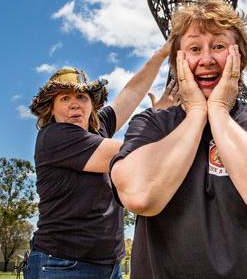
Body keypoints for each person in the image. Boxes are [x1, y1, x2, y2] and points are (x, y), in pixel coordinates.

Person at [110, 0, 247, 278]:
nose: (206, 60)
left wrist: (217, 110)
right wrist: (194, 115)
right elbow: (142, 196)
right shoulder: (151, 124)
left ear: (239, 55)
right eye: (194, 48)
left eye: (218, 46)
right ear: (178, 60)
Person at [25, 40, 173, 279]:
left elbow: (132, 92)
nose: (75, 103)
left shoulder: (97, 129)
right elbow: (135, 156)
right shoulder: (56, 137)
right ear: (51, 109)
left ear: (91, 104)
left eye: (82, 97)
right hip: (63, 265)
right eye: (64, 98)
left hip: (109, 266)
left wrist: (162, 53)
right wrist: (158, 119)